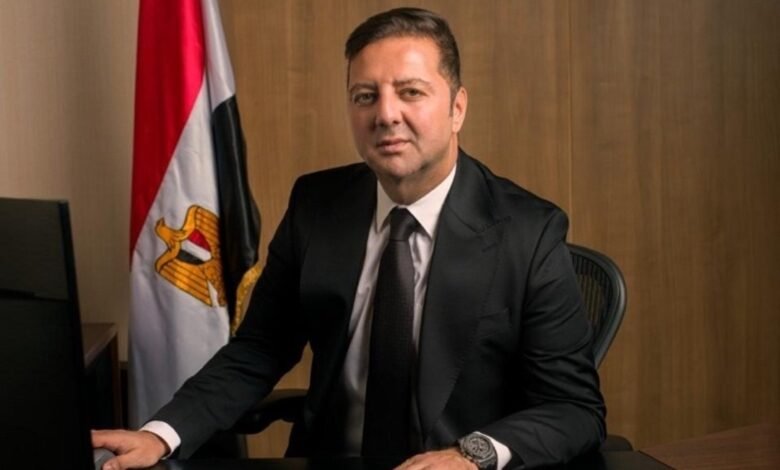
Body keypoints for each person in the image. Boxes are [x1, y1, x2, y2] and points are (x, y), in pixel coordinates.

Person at [93, 7, 605, 470]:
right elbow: (259, 350)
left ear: (457, 108)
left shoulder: (529, 232)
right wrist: (162, 434)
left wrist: (470, 456)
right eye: (365, 96)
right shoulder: (317, 206)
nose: (386, 114)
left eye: (411, 92)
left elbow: (574, 408)